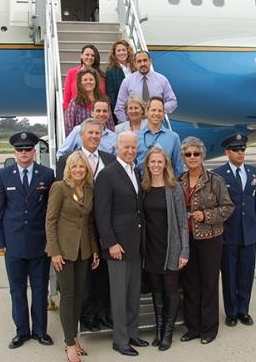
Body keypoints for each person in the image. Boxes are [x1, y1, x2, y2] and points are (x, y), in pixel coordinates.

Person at [0, 131, 55, 349]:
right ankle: (22, 332)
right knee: (17, 290)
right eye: (20, 150)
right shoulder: (4, 175)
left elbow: (51, 211)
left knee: (39, 289)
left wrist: (52, 242)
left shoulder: (47, 175)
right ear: (14, 152)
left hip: (39, 243)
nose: (24, 153)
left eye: (28, 149)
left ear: (34, 151)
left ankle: (40, 331)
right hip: (14, 244)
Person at [55, 118, 115, 332]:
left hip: (104, 226)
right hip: (80, 228)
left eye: (97, 134)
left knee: (103, 275)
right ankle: (87, 316)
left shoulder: (109, 159)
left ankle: (104, 313)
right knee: (85, 278)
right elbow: (59, 199)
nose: (93, 137)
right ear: (81, 135)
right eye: (89, 133)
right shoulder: (66, 161)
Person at [94, 132, 149, 356]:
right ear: (117, 147)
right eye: (125, 147)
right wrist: (110, 243)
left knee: (133, 293)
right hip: (118, 247)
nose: (129, 151)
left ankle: (133, 333)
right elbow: (101, 213)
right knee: (119, 296)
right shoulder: (107, 174)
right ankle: (120, 339)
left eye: (133, 147)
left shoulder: (135, 170)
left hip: (135, 244)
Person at [177, 136, 234, 345]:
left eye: (196, 153)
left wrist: (206, 215)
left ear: (202, 156)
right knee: (190, 283)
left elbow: (227, 207)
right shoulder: (178, 181)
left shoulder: (214, 180)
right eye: (188, 154)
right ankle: (192, 327)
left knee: (209, 283)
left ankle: (209, 329)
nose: (192, 157)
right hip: (187, 240)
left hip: (210, 239)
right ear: (183, 157)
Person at [46, 151, 100, 362]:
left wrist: (94, 249)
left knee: (80, 295)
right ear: (69, 168)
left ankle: (74, 337)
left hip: (83, 250)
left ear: (86, 169)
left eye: (82, 167)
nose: (78, 170)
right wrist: (54, 251)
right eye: (74, 166)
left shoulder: (89, 189)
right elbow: (50, 221)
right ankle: (69, 344)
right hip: (64, 252)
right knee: (68, 296)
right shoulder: (59, 188)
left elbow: (89, 223)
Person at [213, 134, 256, 327]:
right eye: (236, 150)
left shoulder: (255, 173)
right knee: (229, 274)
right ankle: (231, 312)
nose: (240, 153)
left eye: (242, 149)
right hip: (228, 233)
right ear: (227, 152)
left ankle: (244, 310)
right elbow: (217, 204)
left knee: (246, 273)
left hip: (250, 233)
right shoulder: (218, 174)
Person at [141, 147, 188, 351]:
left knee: (170, 290)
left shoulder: (174, 188)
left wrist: (184, 251)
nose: (156, 165)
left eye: (160, 162)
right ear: (148, 165)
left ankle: (168, 332)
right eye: (153, 162)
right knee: (156, 291)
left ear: (166, 164)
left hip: (171, 247)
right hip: (151, 248)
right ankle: (159, 330)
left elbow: (182, 223)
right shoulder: (144, 188)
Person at [114, 50, 177, 123]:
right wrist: (129, 124)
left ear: (150, 61)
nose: (142, 63)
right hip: (134, 127)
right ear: (135, 64)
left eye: (145, 60)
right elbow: (119, 108)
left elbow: (172, 101)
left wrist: (158, 110)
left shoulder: (162, 80)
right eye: (139, 61)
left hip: (156, 124)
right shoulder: (127, 81)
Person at [136, 96, 183, 176]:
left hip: (166, 186)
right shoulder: (136, 137)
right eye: (153, 110)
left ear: (164, 113)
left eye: (160, 111)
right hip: (142, 186)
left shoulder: (173, 137)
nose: (157, 113)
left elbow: (178, 168)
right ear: (146, 112)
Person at [65, 68, 113, 135]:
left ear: (96, 82)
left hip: (102, 141)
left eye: (91, 79)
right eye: (85, 80)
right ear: (80, 83)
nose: (88, 82)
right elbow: (69, 127)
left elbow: (110, 124)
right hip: (81, 142)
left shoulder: (104, 101)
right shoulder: (74, 103)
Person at [63, 44, 106, 111]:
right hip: (76, 112)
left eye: (92, 55)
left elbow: (103, 96)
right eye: (87, 54)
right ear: (81, 55)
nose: (90, 57)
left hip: (95, 113)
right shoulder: (72, 73)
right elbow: (67, 97)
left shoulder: (101, 76)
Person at [105, 39, 135, 119]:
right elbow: (111, 95)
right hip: (122, 111)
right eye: (118, 50)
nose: (121, 53)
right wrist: (118, 114)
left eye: (124, 50)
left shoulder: (135, 68)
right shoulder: (110, 71)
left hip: (136, 107)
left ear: (128, 52)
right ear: (114, 54)